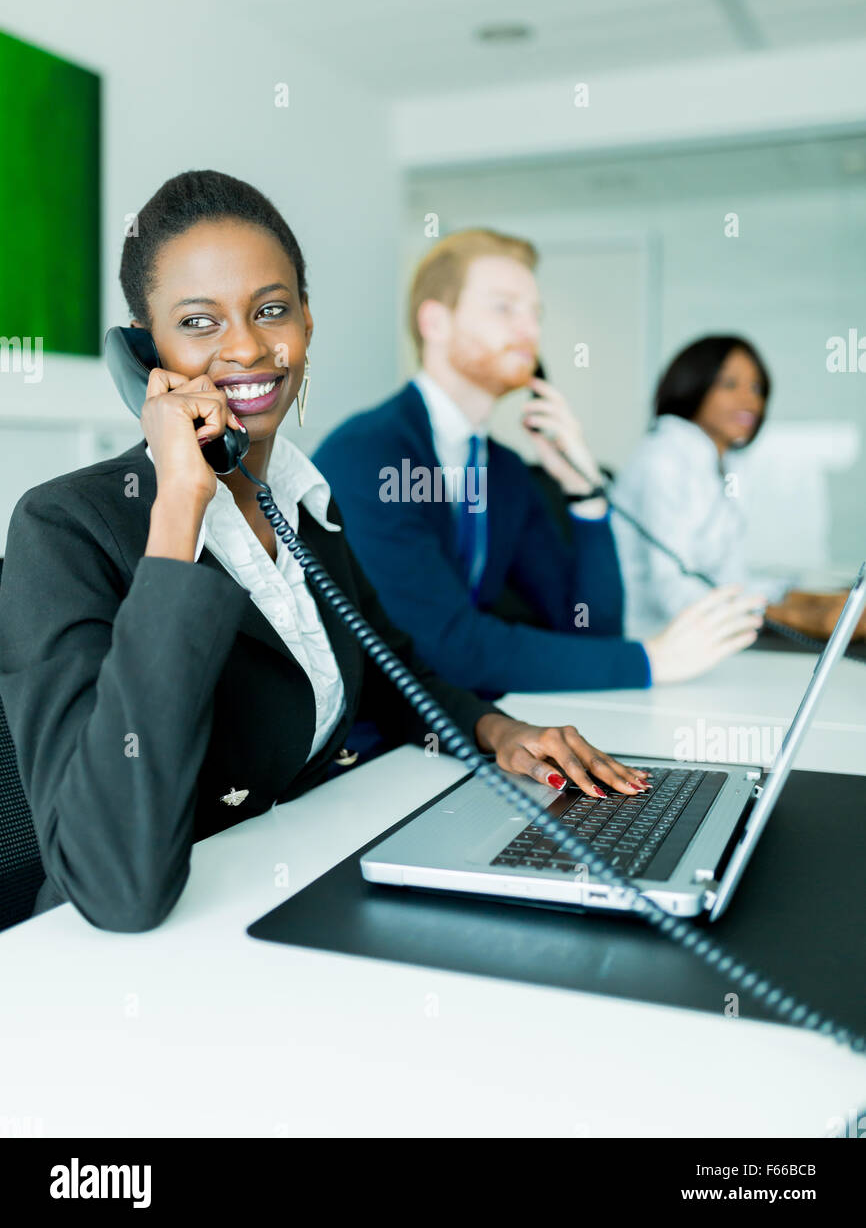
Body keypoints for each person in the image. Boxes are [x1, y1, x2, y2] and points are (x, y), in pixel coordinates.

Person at [0, 172, 656, 934]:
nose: (247, 346)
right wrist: (180, 500)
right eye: (199, 322)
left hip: (293, 897)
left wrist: (499, 733)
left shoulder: (305, 501)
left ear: (306, 322)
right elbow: (117, 887)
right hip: (137, 972)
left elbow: (388, 669)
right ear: (146, 353)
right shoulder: (65, 528)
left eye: (271, 310)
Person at [313, 229, 763, 699]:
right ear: (435, 322)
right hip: (369, 743)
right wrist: (650, 659)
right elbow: (446, 645)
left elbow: (586, 628)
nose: (529, 330)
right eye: (504, 307)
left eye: (536, 314)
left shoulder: (503, 471)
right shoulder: (371, 453)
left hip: (465, 724)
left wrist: (585, 495)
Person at [610, 335, 789, 639]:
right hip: (649, 639)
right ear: (692, 386)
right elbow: (670, 591)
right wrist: (777, 613)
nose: (749, 400)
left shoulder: (727, 465)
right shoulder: (662, 458)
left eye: (757, 388)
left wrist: (787, 595)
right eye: (730, 385)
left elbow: (728, 577)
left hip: (704, 635)